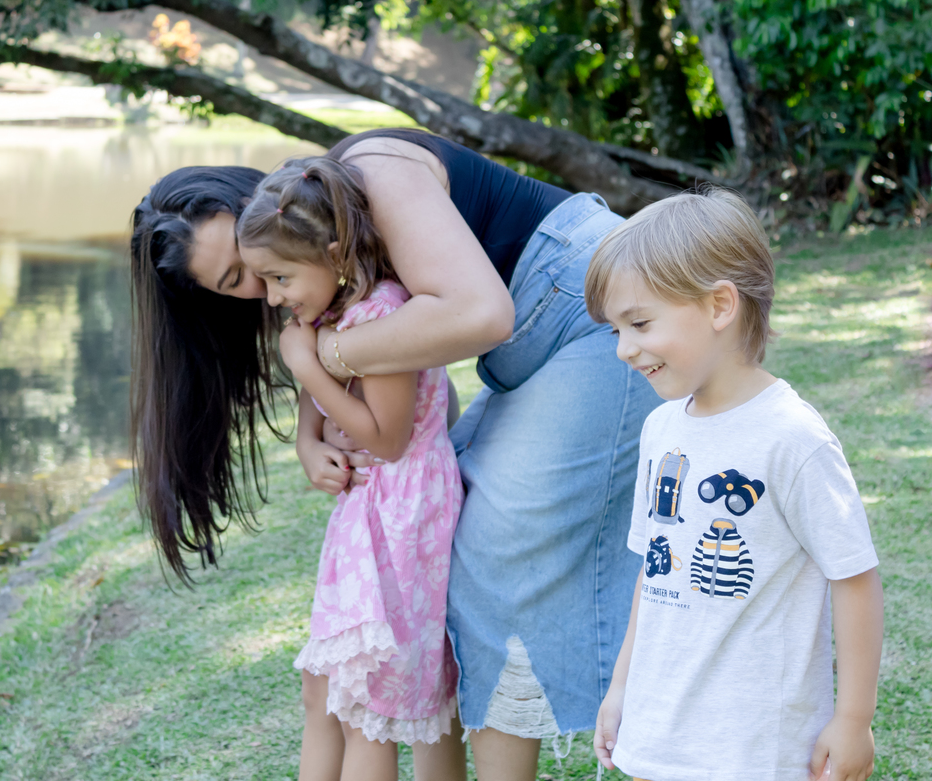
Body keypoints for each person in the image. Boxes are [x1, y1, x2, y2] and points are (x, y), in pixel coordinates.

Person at [130, 129, 662, 779]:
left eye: (256, 264)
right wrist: (311, 428)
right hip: (529, 351)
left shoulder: (371, 175)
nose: (263, 292)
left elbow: (483, 313)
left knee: (496, 556)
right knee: (449, 569)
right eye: (236, 281)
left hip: (604, 312)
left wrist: (322, 359)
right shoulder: (325, 260)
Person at [584, 187, 884, 781]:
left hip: (755, 746)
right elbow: (655, 571)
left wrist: (853, 719)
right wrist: (622, 688)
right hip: (661, 729)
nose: (624, 349)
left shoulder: (792, 437)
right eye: (615, 330)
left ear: (720, 305)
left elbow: (854, 578)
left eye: (639, 322)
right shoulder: (660, 429)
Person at [237, 156, 465, 781]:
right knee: (332, 688)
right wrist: (312, 421)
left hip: (402, 513)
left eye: (280, 278)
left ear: (336, 254)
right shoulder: (338, 314)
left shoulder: (381, 318)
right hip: (370, 512)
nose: (274, 297)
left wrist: (307, 368)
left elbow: (387, 439)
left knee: (374, 704)